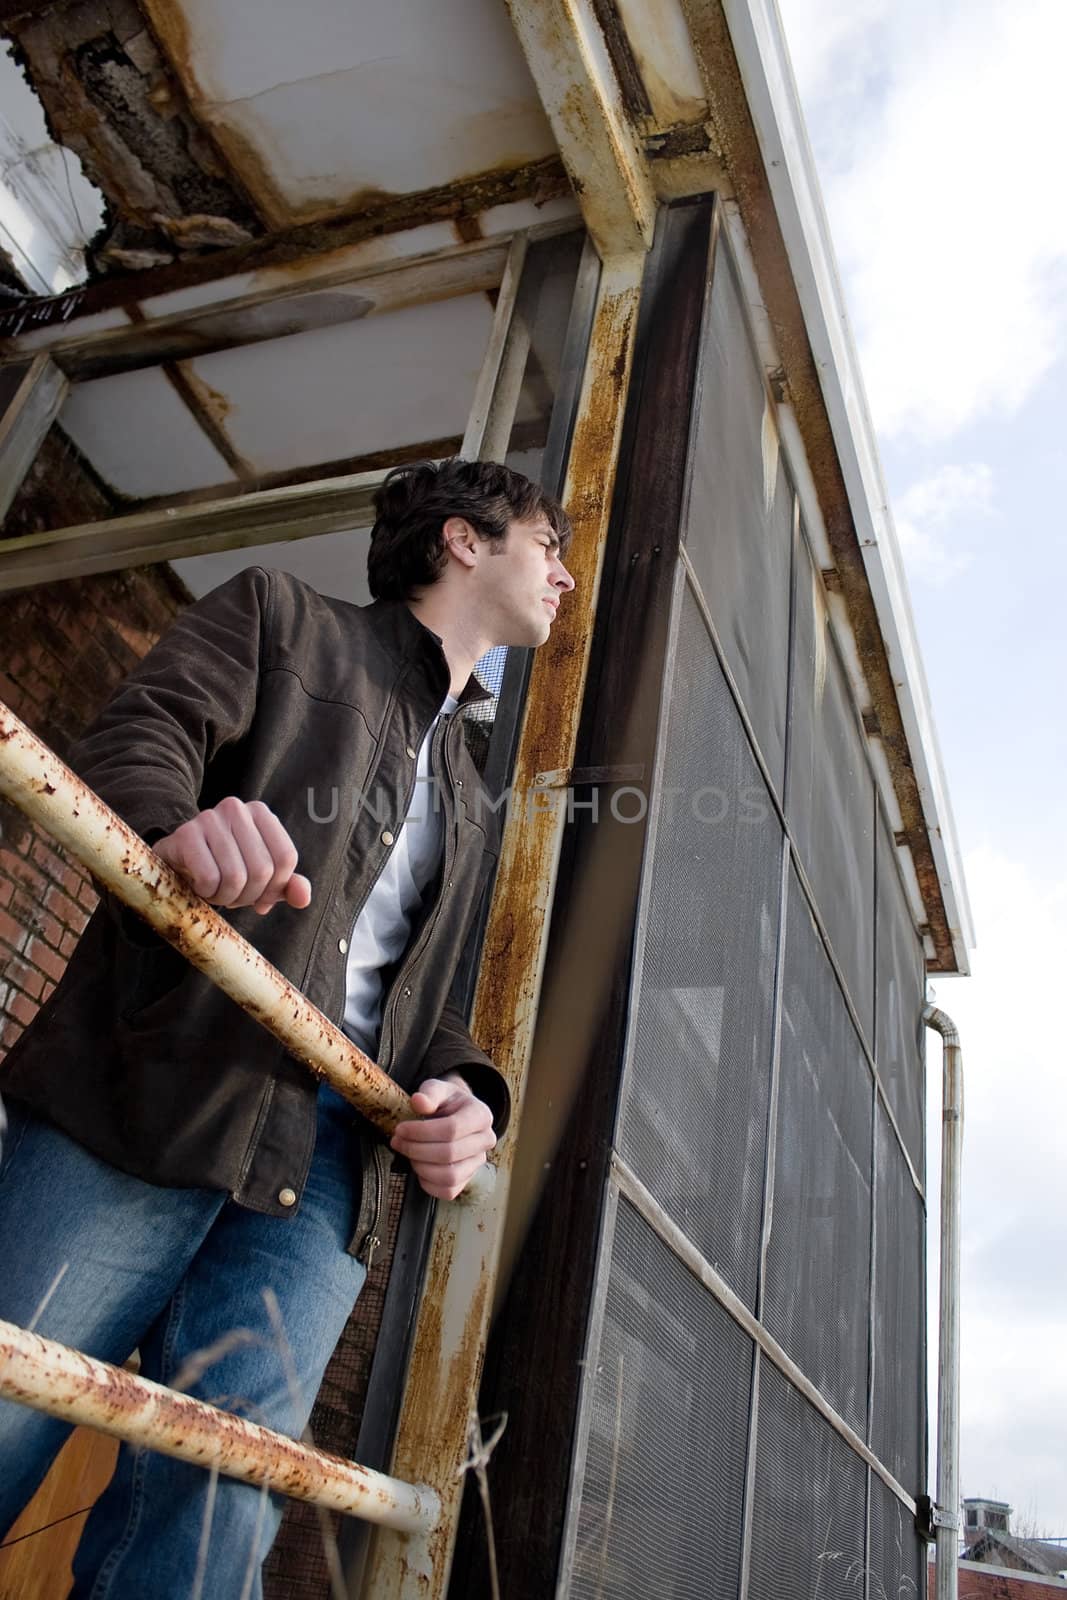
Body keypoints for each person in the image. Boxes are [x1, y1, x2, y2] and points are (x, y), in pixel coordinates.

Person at [0, 457, 574, 1597]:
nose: (564, 575)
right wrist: (178, 828)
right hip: (158, 1090)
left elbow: (430, 1003)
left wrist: (473, 1095)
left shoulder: (469, 786)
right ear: (465, 539)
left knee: (213, 1527)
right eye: (546, 545)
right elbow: (144, 731)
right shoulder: (281, 614)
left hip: (327, 1175)